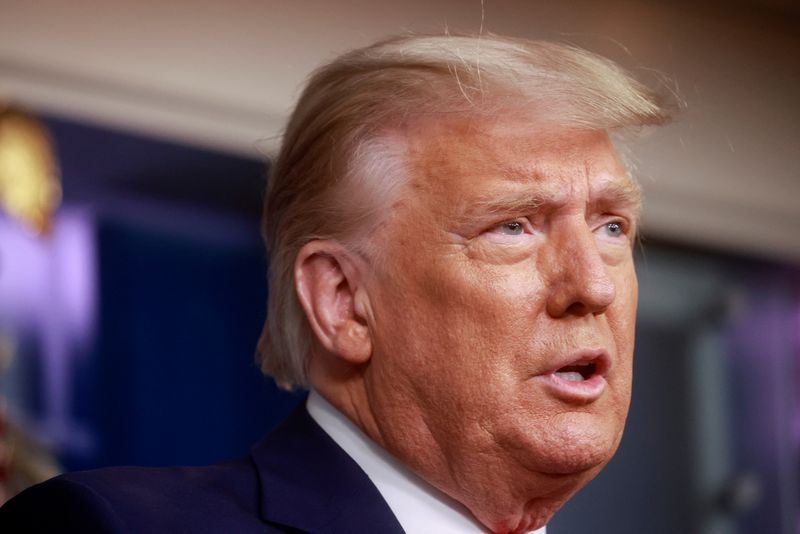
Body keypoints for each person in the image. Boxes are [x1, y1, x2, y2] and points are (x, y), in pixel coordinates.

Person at [0, 33, 670, 533]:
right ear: (344, 302)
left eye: (611, 227)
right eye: (514, 228)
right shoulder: (110, 528)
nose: (593, 286)